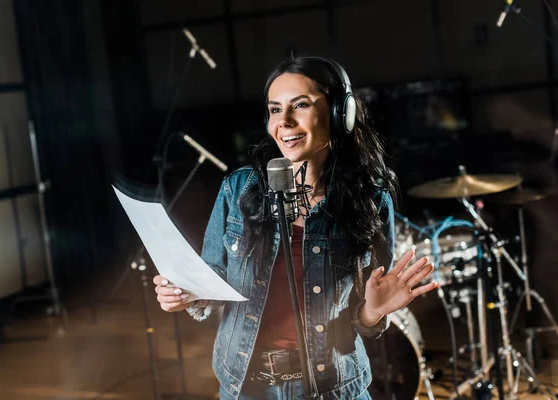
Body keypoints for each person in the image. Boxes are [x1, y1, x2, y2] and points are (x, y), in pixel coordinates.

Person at [153, 55, 438, 399]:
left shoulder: (371, 202)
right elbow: (213, 275)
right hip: (247, 386)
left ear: (339, 113)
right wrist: (187, 293)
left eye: (299, 105)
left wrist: (373, 311)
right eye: (275, 109)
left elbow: (362, 317)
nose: (284, 122)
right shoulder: (238, 189)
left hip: (333, 387)